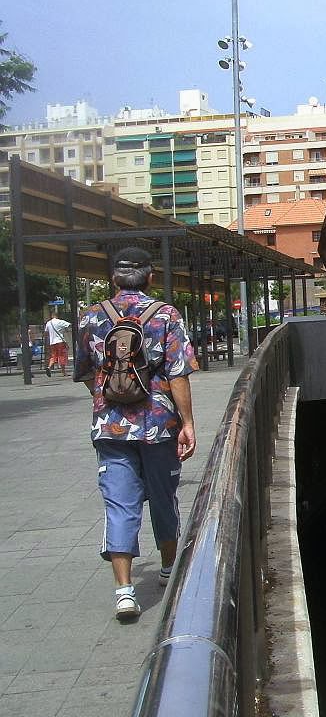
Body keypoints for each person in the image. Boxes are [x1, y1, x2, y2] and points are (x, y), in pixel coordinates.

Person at [74, 247, 199, 621]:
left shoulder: (91, 316)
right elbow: (178, 372)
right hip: (159, 426)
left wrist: (106, 399)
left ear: (113, 279)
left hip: (110, 428)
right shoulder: (165, 315)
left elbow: (84, 372)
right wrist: (187, 422)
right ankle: (166, 569)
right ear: (150, 277)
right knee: (164, 497)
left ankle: (125, 592)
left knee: (119, 503)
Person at [43, 309, 72, 376]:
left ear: (52, 316)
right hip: (60, 342)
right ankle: (63, 372)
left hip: (52, 343)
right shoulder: (60, 322)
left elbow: (46, 332)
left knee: (53, 356)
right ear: (57, 316)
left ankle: (49, 367)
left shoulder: (48, 323)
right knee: (61, 356)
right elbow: (69, 325)